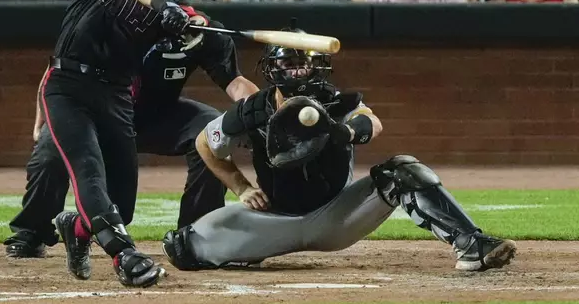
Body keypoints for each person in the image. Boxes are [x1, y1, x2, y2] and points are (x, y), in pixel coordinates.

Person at [161, 25, 518, 273]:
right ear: (273, 69)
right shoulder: (253, 109)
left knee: (402, 169)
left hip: (336, 217)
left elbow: (372, 122)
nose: (298, 70)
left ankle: (472, 245)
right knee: (181, 248)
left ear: (318, 66)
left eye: (304, 62)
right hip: (273, 221)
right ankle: (245, 253)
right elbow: (205, 143)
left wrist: (340, 132)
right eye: (289, 63)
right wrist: (241, 187)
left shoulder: (337, 102)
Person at [3, 0, 260, 273]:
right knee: (51, 147)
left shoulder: (201, 33)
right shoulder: (113, 21)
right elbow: (63, 65)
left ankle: (197, 236)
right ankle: (32, 231)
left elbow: (235, 82)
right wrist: (44, 109)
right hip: (97, 113)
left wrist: (258, 110)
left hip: (156, 117)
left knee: (211, 129)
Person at [27, 0, 207, 288]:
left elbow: (189, 15)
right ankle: (125, 257)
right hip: (69, 86)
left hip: (117, 95)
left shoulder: (171, 0)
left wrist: (194, 20)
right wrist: (168, 9)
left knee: (121, 204)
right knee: (88, 168)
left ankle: (75, 227)